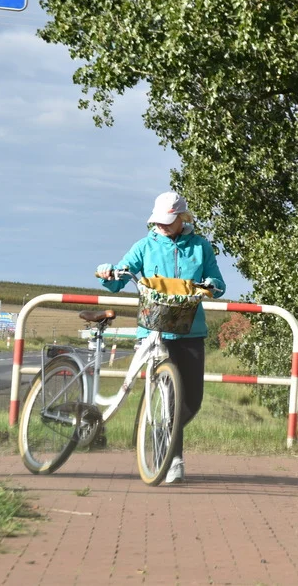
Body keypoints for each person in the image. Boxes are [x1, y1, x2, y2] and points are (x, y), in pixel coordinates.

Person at [96, 191, 226, 484]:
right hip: (155, 331)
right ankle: (174, 459)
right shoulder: (144, 246)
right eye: (158, 221)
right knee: (169, 398)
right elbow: (119, 278)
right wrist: (109, 274)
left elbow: (219, 283)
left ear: (183, 218)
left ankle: (158, 432)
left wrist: (211, 285)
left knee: (192, 400)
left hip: (191, 330)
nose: (163, 226)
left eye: (168, 221)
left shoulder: (201, 247)